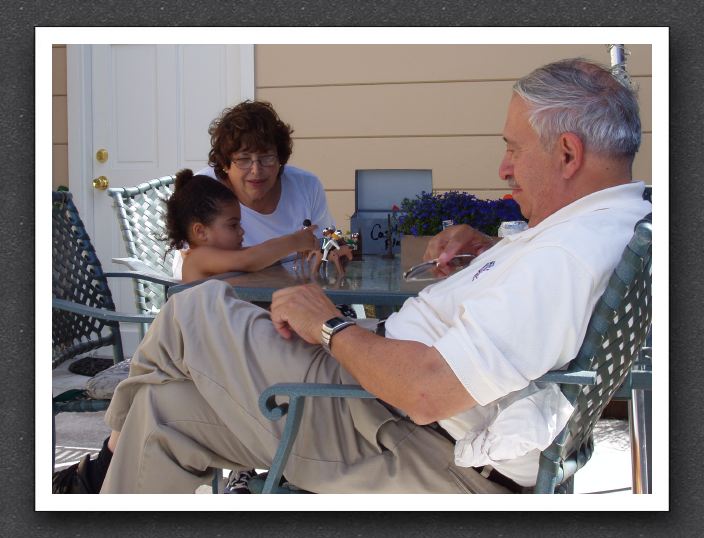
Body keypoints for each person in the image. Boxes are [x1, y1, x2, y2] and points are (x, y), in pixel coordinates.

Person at [56, 58, 651, 494]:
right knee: (163, 413)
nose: (502, 166)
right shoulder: (603, 224)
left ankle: (105, 454)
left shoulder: (567, 257)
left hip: (399, 433)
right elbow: (528, 311)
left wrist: (331, 325)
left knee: (195, 309)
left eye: (513, 149)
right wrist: (493, 254)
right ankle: (110, 470)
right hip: (387, 408)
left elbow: (426, 392)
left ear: (568, 154)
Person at [171, 100, 335, 279]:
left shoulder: (306, 186)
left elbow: (326, 243)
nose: (256, 170)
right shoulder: (204, 193)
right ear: (225, 163)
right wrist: (294, 241)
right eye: (243, 159)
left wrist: (333, 248)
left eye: (267, 158)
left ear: (280, 159)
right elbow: (248, 259)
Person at [165, 168, 318, 282]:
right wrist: (294, 241)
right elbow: (249, 260)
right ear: (201, 232)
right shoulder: (198, 258)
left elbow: (262, 257)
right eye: (233, 225)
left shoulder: (229, 257)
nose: (241, 231)